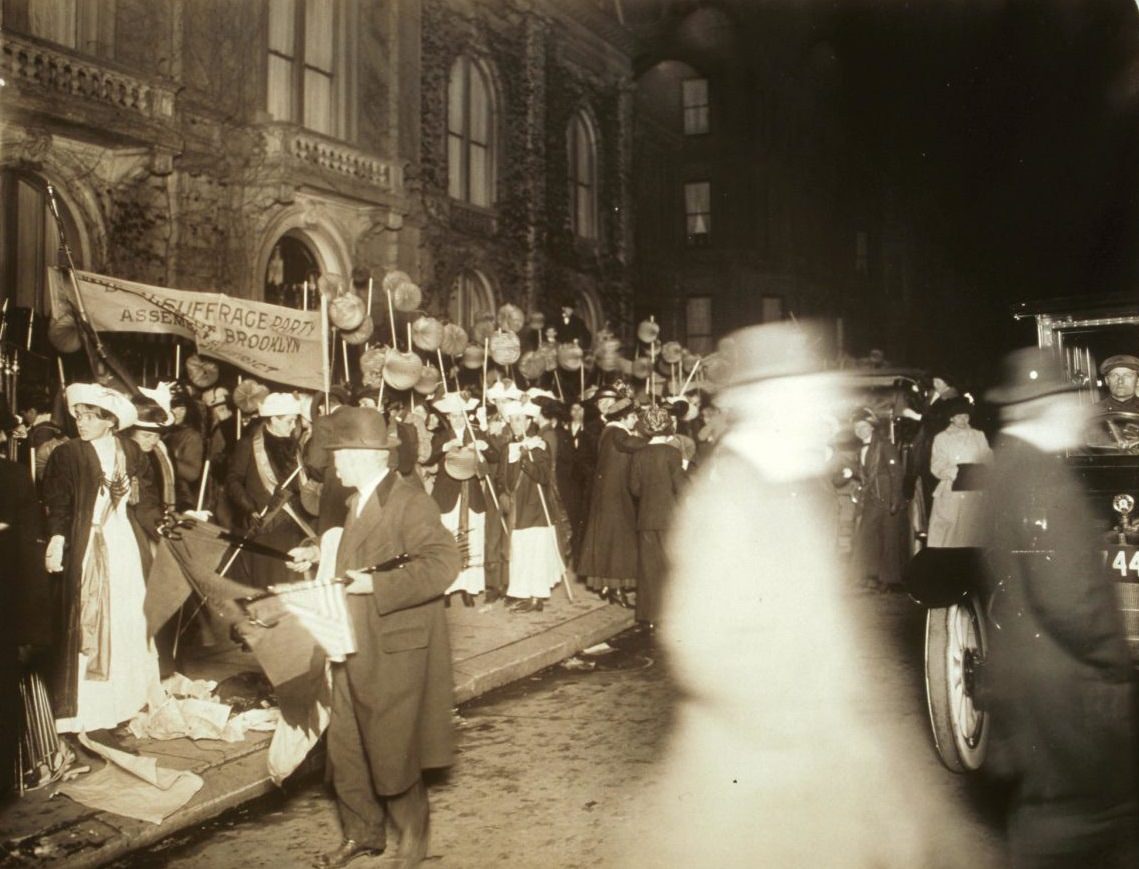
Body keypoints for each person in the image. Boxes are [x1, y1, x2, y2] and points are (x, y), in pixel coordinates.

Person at [630, 321, 944, 866]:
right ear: (760, 402)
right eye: (800, 393)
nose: (815, 406)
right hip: (760, 783)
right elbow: (698, 639)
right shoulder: (733, 495)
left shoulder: (784, 485)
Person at [982, 347, 1139, 867]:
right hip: (1070, 695)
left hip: (1028, 689)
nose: (1084, 411)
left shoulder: (1006, 464)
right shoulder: (1046, 481)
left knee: (1054, 821)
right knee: (1094, 822)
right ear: (1051, 408)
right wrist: (1117, 664)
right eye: (1075, 401)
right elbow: (1071, 603)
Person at [286, 407, 458, 869]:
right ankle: (363, 833)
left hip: (392, 643)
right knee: (346, 742)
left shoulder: (409, 500)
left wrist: (376, 586)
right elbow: (363, 551)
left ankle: (414, 836)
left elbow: (444, 564)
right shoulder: (358, 499)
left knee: (390, 742)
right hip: (350, 636)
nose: (333, 463)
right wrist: (320, 554)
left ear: (363, 455)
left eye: (338, 454)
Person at [41, 383, 161, 734]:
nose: (82, 422)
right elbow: (58, 504)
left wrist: (165, 527)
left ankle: (128, 700)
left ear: (109, 421)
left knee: (128, 621)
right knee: (92, 621)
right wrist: (57, 539)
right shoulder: (68, 454)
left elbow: (146, 503)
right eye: (79, 416)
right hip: (88, 546)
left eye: (90, 417)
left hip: (125, 545)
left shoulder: (132, 452)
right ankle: (90, 710)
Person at [225, 392, 311, 588]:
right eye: (289, 421)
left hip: (294, 525)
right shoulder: (248, 444)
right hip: (266, 525)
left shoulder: (294, 445)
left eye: (295, 421)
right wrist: (250, 508)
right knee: (269, 581)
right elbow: (233, 481)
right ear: (273, 419)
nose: (293, 426)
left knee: (294, 582)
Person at [428, 392, 495, 607]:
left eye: (461, 415)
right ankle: (447, 588)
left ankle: (468, 587)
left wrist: (484, 445)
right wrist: (443, 448)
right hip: (447, 495)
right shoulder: (441, 436)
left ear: (466, 415)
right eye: (453, 416)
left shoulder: (475, 434)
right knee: (448, 539)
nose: (457, 419)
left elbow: (494, 455)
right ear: (447, 417)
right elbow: (427, 458)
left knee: (472, 539)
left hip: (471, 495)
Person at [577, 396, 645, 606]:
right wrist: (655, 437)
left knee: (612, 542)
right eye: (633, 417)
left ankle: (610, 585)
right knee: (617, 543)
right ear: (624, 417)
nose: (635, 421)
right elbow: (632, 444)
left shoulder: (611, 432)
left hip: (611, 496)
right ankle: (615, 589)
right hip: (614, 498)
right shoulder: (617, 432)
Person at [497, 400, 564, 613]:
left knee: (535, 552)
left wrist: (526, 459)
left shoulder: (539, 445)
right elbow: (502, 477)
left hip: (535, 508)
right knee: (521, 552)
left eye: (519, 419)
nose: (515, 423)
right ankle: (524, 594)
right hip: (517, 508)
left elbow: (544, 477)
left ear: (528, 422)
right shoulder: (507, 448)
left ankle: (537, 598)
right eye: (512, 419)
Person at [627, 404, 684, 627]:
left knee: (649, 568)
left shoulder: (639, 455)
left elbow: (635, 489)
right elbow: (680, 486)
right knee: (671, 565)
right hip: (670, 518)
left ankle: (651, 617)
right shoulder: (673, 453)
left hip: (647, 519)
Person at [848, 408, 907, 592]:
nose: (861, 430)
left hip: (887, 497)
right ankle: (867, 576)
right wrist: (852, 473)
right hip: (871, 499)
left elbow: (896, 472)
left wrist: (896, 498)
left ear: (872, 427)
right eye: (857, 428)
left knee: (889, 538)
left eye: (864, 426)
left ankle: (891, 581)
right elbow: (865, 474)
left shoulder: (884, 444)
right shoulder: (861, 450)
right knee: (865, 536)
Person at [926, 396, 992, 547]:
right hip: (951, 491)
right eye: (959, 416)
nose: (963, 419)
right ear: (951, 418)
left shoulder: (978, 435)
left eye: (966, 416)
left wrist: (979, 472)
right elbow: (937, 464)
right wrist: (958, 472)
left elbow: (988, 458)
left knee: (973, 534)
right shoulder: (942, 438)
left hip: (975, 491)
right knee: (949, 536)